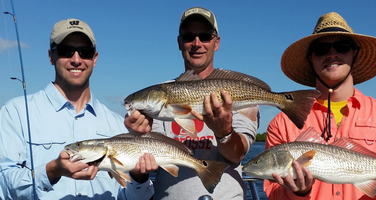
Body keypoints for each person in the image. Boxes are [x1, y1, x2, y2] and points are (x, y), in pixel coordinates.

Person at [0, 18, 157, 200]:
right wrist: (52, 171)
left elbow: (130, 197)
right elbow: (4, 185)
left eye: (85, 52)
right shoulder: (15, 112)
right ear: (51, 56)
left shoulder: (117, 124)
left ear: (94, 58)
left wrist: (140, 178)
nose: (76, 60)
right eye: (66, 51)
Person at [125, 7, 259, 200]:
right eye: (189, 37)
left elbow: (238, 155)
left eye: (205, 36)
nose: (197, 44)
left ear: (217, 42)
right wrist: (137, 141)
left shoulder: (235, 92)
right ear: (179, 42)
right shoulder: (156, 106)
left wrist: (224, 133)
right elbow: (146, 166)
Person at [263, 12, 376, 199]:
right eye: (321, 49)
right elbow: (272, 193)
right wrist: (299, 191)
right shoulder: (281, 123)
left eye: (342, 47)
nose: (332, 54)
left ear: (355, 55)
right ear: (310, 59)